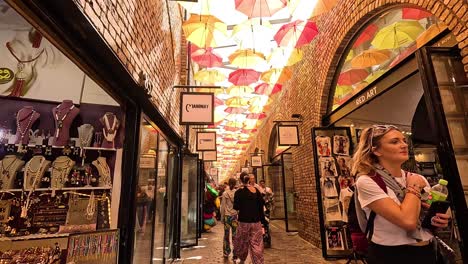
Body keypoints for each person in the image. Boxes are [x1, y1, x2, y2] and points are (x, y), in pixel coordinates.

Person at [352, 125, 450, 264]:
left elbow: (427, 217)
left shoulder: (417, 178)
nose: (404, 145)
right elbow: (408, 221)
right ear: (377, 150)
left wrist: (440, 219)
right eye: (394, 142)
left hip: (427, 250)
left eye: (404, 140)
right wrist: (413, 187)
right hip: (390, 255)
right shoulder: (367, 181)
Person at [233, 172, 267, 264]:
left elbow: (236, 207)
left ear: (240, 180)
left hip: (244, 221)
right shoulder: (256, 190)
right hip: (256, 221)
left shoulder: (239, 192)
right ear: (249, 180)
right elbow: (261, 206)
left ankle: (242, 259)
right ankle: (258, 261)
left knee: (243, 242)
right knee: (256, 243)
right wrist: (263, 221)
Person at [220, 178, 239, 259]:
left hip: (227, 217)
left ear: (228, 183)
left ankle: (226, 252)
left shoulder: (225, 193)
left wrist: (222, 217)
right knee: (235, 235)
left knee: (226, 235)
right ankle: (235, 253)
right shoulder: (237, 193)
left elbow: (223, 206)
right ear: (235, 184)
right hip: (234, 216)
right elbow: (239, 206)